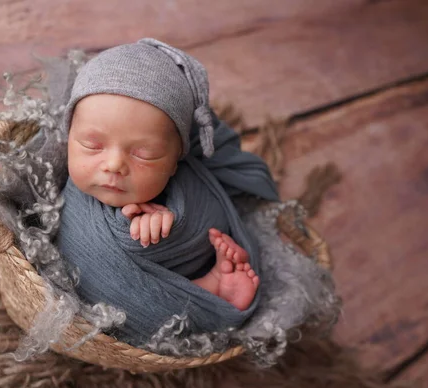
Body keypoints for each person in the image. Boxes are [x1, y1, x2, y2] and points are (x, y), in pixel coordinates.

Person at [56, 38, 279, 344]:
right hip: (117, 285)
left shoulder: (191, 185)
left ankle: (207, 284)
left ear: (176, 160)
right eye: (92, 146)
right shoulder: (55, 187)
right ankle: (205, 292)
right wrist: (129, 226)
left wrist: (165, 221)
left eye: (144, 154)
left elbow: (210, 215)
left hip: (176, 274)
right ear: (68, 137)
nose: (113, 164)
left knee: (195, 226)